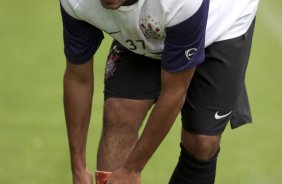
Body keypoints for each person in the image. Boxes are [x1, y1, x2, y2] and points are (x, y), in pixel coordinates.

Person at [59, 0, 259, 183]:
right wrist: (78, 167)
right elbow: (78, 78)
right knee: (119, 112)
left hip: (219, 24)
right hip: (147, 22)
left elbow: (174, 91)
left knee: (201, 142)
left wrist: (132, 169)